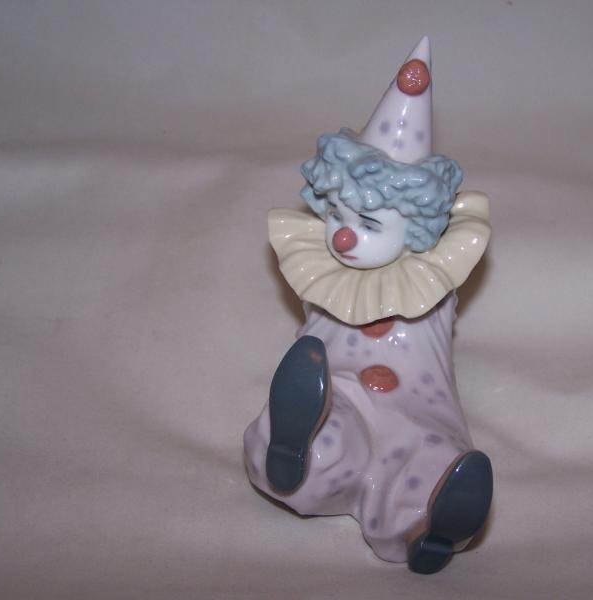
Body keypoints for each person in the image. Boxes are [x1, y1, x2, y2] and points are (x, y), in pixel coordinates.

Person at [244, 37, 492, 575]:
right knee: (334, 433)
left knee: (430, 451)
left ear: (418, 232)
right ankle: (293, 450)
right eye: (336, 214)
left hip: (415, 402)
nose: (343, 236)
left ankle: (428, 527)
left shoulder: (431, 283)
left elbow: (441, 287)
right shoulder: (324, 278)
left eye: (369, 224)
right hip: (341, 387)